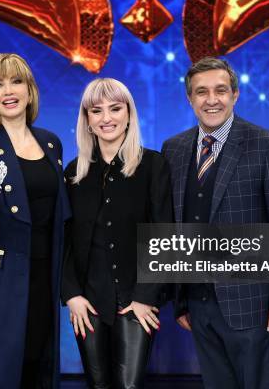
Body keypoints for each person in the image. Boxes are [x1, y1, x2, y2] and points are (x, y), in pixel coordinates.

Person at [161, 57, 269, 389]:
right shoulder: (174, 149)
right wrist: (180, 296)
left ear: (235, 95)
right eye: (202, 92)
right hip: (197, 303)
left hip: (250, 302)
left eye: (220, 90)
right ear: (190, 99)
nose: (212, 100)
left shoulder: (268, 146)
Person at [0, 53, 70, 388]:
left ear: (30, 90)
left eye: (16, 81)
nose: (8, 90)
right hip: (1, 279)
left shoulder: (51, 142)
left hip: (45, 274)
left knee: (38, 363)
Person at [61, 78, 173, 388]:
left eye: (115, 108)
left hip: (136, 300)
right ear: (87, 120)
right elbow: (65, 240)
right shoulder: (73, 172)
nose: (106, 118)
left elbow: (164, 235)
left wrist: (145, 297)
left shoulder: (153, 165)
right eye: (96, 111)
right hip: (88, 302)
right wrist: (71, 295)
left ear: (128, 114)